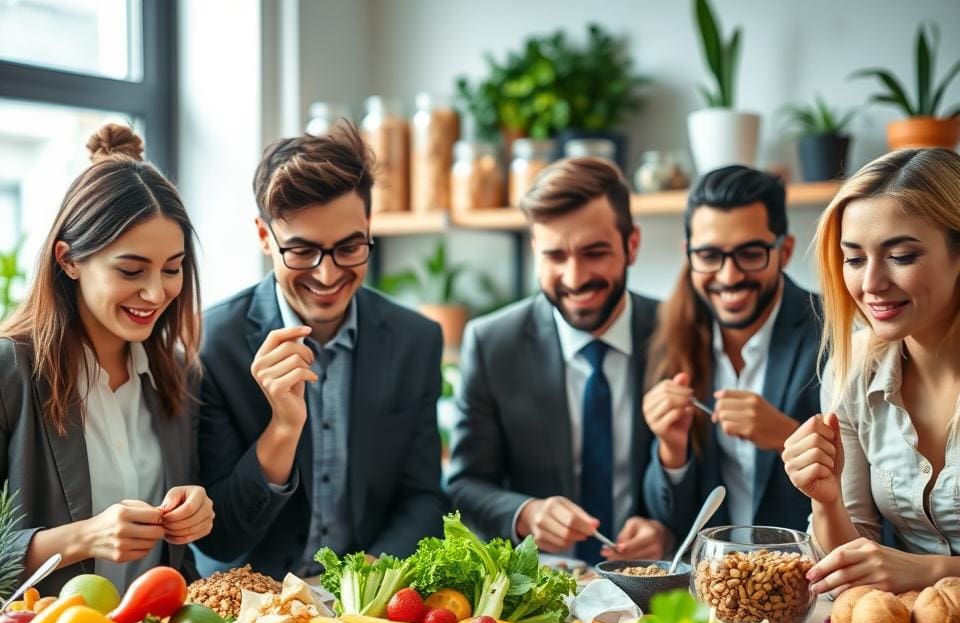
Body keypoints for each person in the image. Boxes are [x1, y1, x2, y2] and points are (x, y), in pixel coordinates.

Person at [196, 121, 446, 578]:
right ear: (263, 237)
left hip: (368, 602)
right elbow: (221, 535)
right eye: (302, 251)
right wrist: (283, 430)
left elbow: (424, 496)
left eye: (349, 247)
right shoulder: (211, 345)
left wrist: (376, 574)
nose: (327, 276)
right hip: (249, 603)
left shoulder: (416, 341)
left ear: (369, 228)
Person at [0, 124, 213, 594]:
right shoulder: (10, 371)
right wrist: (86, 536)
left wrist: (195, 510)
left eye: (172, 269)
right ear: (68, 259)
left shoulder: (177, 372)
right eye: (131, 270)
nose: (157, 292)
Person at [447, 157, 667, 564]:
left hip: (657, 584)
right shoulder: (491, 343)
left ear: (631, 245)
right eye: (554, 256)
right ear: (535, 251)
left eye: (594, 252)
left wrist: (666, 529)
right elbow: (464, 484)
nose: (575, 277)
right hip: (542, 588)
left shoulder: (677, 333)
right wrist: (526, 513)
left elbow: (711, 476)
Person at [782, 148, 960, 595]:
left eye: (900, 256)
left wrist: (929, 572)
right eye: (855, 258)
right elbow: (848, 571)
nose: (871, 284)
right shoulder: (855, 367)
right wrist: (826, 500)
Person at [642, 165, 821, 542]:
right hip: (715, 584)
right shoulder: (672, 335)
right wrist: (673, 450)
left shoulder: (830, 333)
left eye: (750, 253)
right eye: (708, 255)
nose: (728, 276)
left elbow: (875, 491)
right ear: (688, 254)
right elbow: (670, 522)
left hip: (813, 583)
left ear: (784, 251)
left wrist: (788, 437)